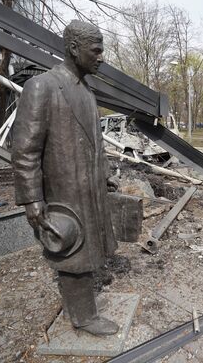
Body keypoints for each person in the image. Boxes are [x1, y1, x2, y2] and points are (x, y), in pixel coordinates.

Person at [12, 20, 119, 336]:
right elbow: (24, 150)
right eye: (96, 50)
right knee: (71, 251)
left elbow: (95, 142)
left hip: (88, 188)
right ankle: (83, 317)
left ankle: (85, 309)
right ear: (74, 49)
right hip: (63, 193)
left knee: (88, 248)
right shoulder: (42, 86)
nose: (101, 57)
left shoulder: (86, 91)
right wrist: (32, 199)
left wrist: (104, 174)